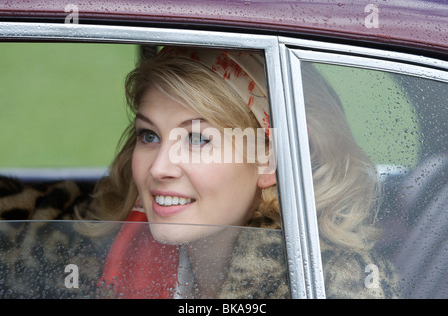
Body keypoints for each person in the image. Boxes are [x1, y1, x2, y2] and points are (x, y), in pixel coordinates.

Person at [77, 47, 398, 299]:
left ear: (268, 157)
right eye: (150, 136)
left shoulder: (329, 285)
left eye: (198, 139)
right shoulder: (119, 254)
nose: (159, 168)